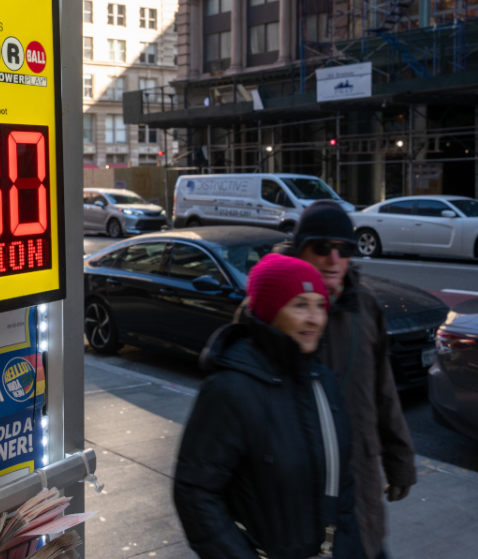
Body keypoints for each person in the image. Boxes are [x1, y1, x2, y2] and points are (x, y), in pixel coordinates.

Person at [174, 254, 363, 559]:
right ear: (270, 313)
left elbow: (343, 483)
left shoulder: (323, 380)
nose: (314, 318)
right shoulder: (230, 390)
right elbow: (195, 493)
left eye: (319, 305)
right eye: (300, 305)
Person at [291, 201, 417, 559]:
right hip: (298, 493)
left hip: (360, 487)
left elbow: (383, 392)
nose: (334, 259)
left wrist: (400, 462)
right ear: (299, 249)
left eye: (345, 249)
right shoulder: (269, 307)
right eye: (322, 247)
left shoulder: (365, 306)